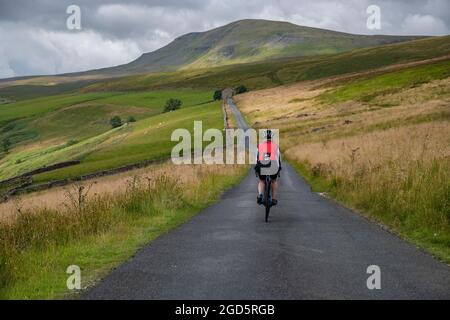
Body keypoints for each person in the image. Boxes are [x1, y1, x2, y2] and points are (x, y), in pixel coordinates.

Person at [254, 129, 282, 206]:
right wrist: (279, 169)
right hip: (273, 165)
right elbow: (278, 159)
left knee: (261, 181)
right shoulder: (276, 146)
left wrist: (256, 168)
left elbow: (256, 159)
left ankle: (260, 195)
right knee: (274, 181)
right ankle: (273, 199)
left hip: (262, 165)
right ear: (272, 137)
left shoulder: (259, 146)